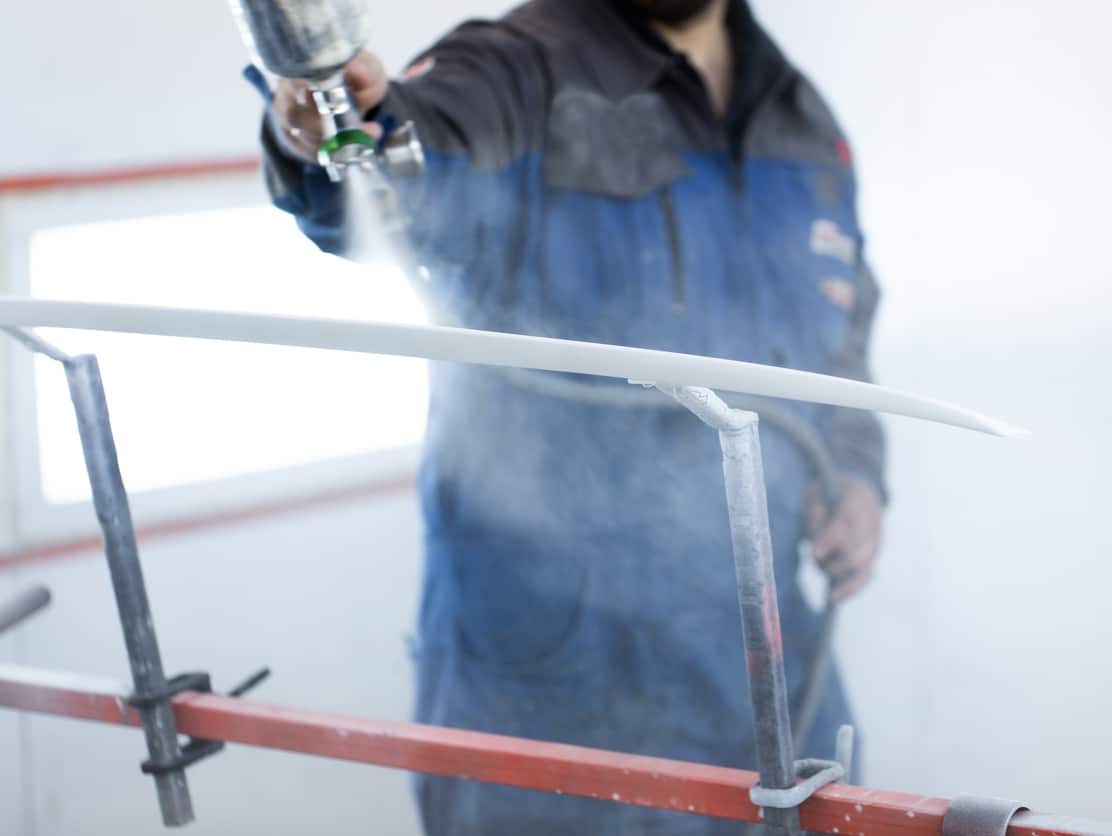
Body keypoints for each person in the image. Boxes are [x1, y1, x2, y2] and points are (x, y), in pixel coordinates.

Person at [260, 0, 886, 832]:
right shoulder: (514, 71)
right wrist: (334, 127)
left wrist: (857, 474)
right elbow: (391, 171)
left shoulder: (802, 121)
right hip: (554, 684)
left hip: (763, 663)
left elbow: (843, 334)